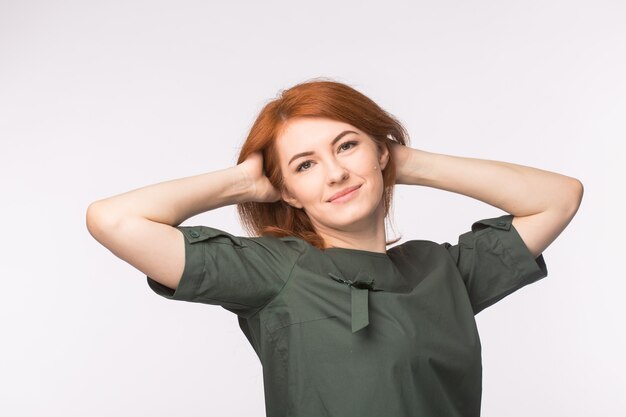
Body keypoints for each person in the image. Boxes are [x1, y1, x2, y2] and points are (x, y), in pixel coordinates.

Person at [86, 78, 583, 417]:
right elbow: (114, 220)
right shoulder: (272, 271)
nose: (336, 173)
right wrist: (244, 181)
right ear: (286, 190)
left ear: (379, 150)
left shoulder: (442, 269)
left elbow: (558, 198)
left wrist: (407, 164)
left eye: (347, 145)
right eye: (304, 165)